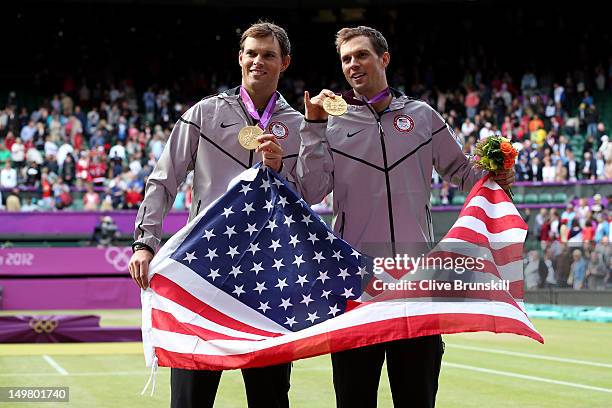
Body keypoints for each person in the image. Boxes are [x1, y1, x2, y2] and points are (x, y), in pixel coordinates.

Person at [296, 26, 515, 408]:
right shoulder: (331, 122)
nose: (352, 65)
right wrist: (313, 126)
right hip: (358, 284)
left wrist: (496, 172)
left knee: (417, 398)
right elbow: (312, 191)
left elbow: (463, 173)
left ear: (384, 58)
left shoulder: (422, 116)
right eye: (346, 59)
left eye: (361, 55)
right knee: (354, 398)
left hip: (417, 282)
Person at [128, 22, 303, 408]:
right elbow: (164, 178)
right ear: (240, 58)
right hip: (204, 270)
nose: (258, 60)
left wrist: (280, 171)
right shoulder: (204, 113)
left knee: (270, 396)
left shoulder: (298, 125)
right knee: (191, 397)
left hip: (267, 275)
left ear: (284, 62)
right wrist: (145, 242)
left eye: (268, 54)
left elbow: (309, 195)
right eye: (252, 53)